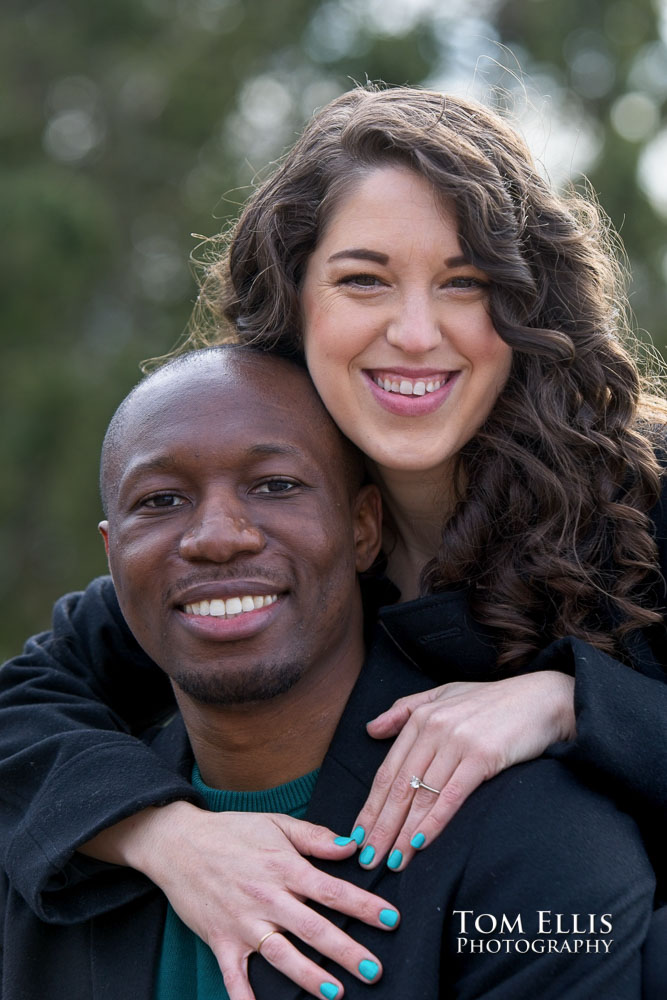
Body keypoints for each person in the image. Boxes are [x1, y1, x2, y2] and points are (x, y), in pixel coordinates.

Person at [1, 84, 666, 998]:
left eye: (463, 283)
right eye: (363, 280)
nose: (415, 333)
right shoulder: (275, 536)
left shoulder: (644, 492)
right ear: (293, 306)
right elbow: (26, 702)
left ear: (525, 305)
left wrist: (567, 701)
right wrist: (166, 834)